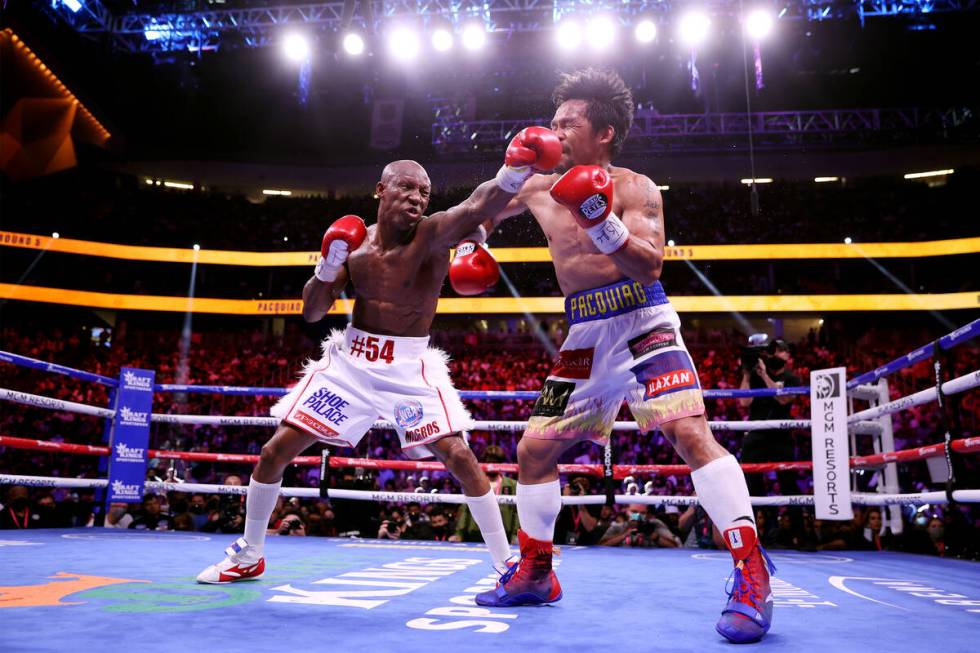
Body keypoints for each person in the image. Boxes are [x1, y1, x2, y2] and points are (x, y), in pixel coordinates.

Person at [473, 68, 775, 645]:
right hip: (585, 333)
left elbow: (650, 265)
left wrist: (598, 217)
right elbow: (479, 210)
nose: (555, 132)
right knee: (533, 450)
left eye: (569, 124)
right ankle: (536, 571)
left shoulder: (637, 189)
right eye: (554, 122)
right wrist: (478, 234)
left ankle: (751, 572)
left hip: (643, 320)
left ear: (604, 133)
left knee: (689, 433)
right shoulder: (537, 183)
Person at [197, 128, 562, 584]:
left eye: (424, 192)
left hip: (408, 368)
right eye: (407, 187)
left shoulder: (431, 234)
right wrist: (328, 266)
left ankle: (506, 561)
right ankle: (249, 553)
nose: (416, 197)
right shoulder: (355, 246)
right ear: (381, 189)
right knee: (274, 452)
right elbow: (312, 312)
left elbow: (477, 205)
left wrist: (514, 170)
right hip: (351, 361)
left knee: (459, 456)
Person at [738, 338, 802, 500]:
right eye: (772, 350)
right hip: (757, 433)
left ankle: (796, 524)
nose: (774, 354)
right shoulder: (755, 375)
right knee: (751, 483)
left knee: (788, 484)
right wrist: (746, 374)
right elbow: (744, 402)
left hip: (781, 435)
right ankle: (759, 522)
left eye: (779, 350)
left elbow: (783, 399)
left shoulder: (792, 379)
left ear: (787, 355)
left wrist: (765, 376)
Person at [451, 445, 520, 543]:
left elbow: (517, 512)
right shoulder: (474, 482)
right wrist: (459, 533)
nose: (492, 465)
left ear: (500, 463)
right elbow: (466, 508)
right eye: (489, 462)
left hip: (504, 533)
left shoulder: (511, 485)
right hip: (475, 532)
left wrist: (515, 536)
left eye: (495, 462)